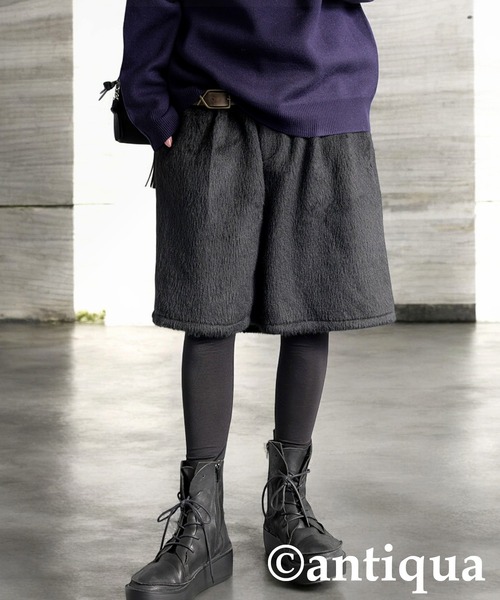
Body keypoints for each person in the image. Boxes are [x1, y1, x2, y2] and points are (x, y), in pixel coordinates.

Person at [118, 1, 395, 598]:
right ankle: (202, 526)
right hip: (211, 115)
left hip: (324, 110)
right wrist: (148, 104)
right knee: (206, 316)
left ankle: (288, 508)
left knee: (310, 313)